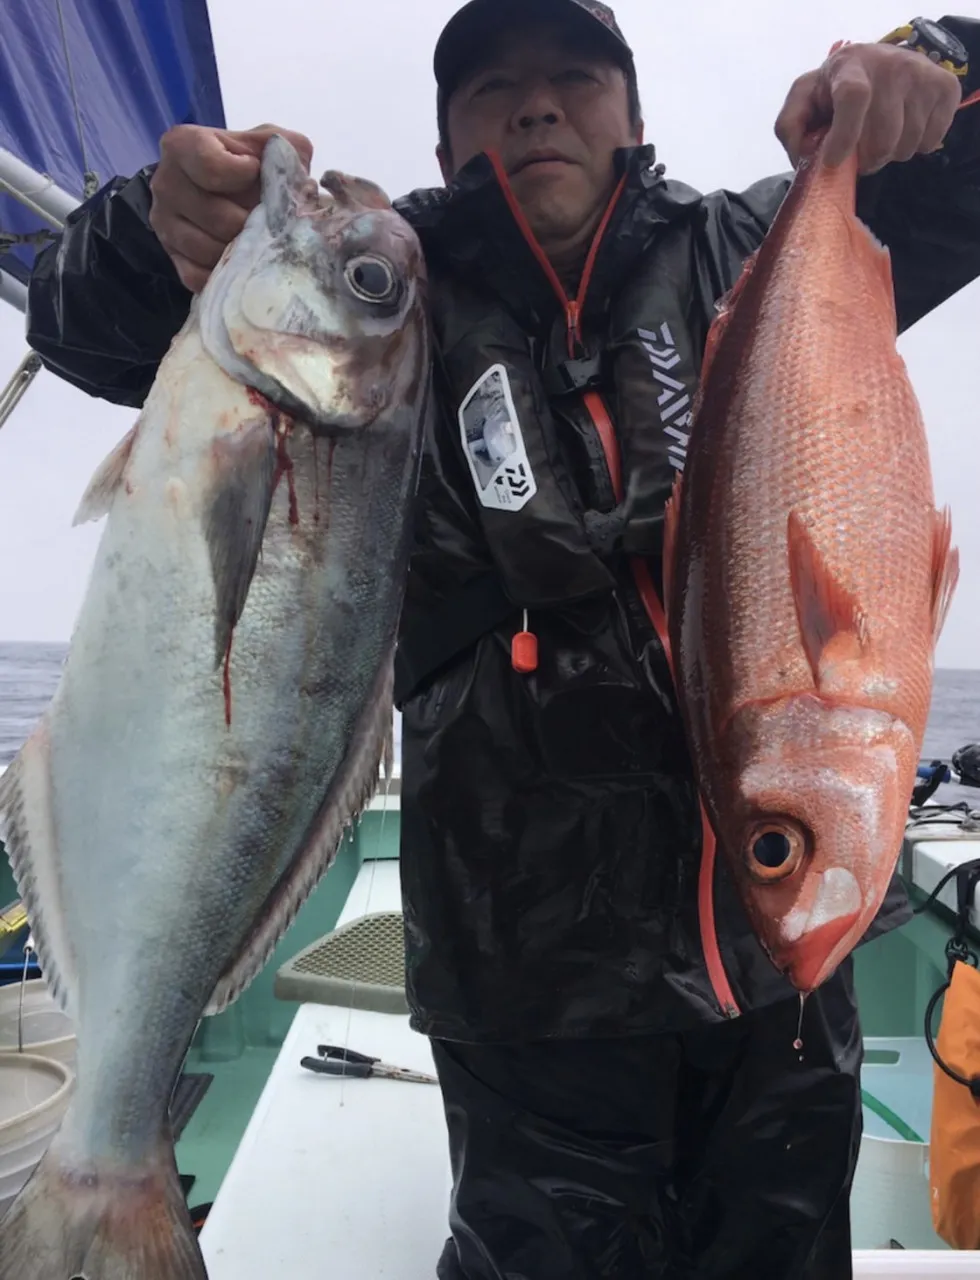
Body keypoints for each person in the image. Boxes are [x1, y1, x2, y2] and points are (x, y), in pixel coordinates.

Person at [24, 4, 980, 1275]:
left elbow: (960, 168)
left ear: (632, 118)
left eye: (574, 78)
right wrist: (158, 222)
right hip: (520, 977)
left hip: (778, 967)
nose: (534, 107)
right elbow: (77, 316)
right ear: (442, 138)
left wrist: (935, 61)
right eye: (490, 89)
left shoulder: (753, 254)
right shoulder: (375, 296)